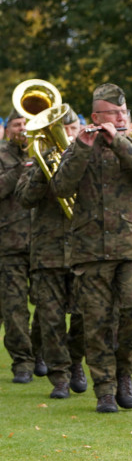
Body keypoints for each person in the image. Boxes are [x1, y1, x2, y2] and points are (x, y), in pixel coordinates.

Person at [51, 83, 132, 413]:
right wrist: (82, 149)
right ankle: (104, 387)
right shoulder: (78, 146)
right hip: (90, 251)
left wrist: (121, 143)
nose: (120, 118)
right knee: (96, 321)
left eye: (123, 113)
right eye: (113, 113)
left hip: (131, 248)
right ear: (96, 116)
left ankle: (125, 372)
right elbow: (60, 187)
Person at [15, 106, 87, 398]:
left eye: (71, 131)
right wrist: (44, 171)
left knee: (85, 315)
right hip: (47, 253)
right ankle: (59, 376)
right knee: (51, 319)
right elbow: (24, 198)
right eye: (62, 130)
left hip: (84, 250)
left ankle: (77, 362)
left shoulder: (88, 161)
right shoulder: (36, 163)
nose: (66, 137)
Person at [0, 109, 37, 383]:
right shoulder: (1, 155)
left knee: (49, 308)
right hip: (9, 243)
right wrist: (19, 169)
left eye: (26, 123)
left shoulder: (45, 151)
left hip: (44, 244)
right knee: (14, 309)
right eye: (17, 124)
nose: (22, 128)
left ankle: (43, 354)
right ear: (8, 128)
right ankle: (22, 362)